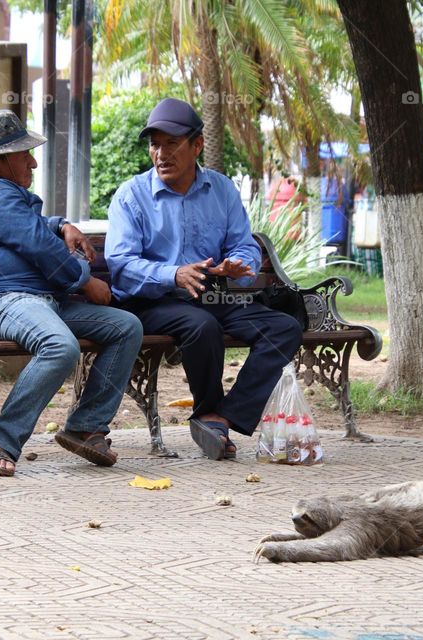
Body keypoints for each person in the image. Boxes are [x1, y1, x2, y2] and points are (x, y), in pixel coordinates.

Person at [0, 109, 143, 476]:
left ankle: (86, 426)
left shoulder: (0, 193)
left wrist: (62, 224)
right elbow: (36, 242)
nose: (33, 162)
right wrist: (85, 282)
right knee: (59, 346)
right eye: (24, 155)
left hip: (38, 303)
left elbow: (31, 226)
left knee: (125, 326)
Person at [105, 98, 303, 460]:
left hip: (210, 294)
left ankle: (225, 418)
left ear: (197, 146)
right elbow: (120, 263)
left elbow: (244, 245)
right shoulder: (131, 196)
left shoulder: (221, 190)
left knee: (283, 328)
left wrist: (238, 267)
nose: (160, 153)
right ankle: (209, 411)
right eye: (155, 144)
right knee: (202, 325)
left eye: (171, 143)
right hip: (150, 301)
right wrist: (174, 274)